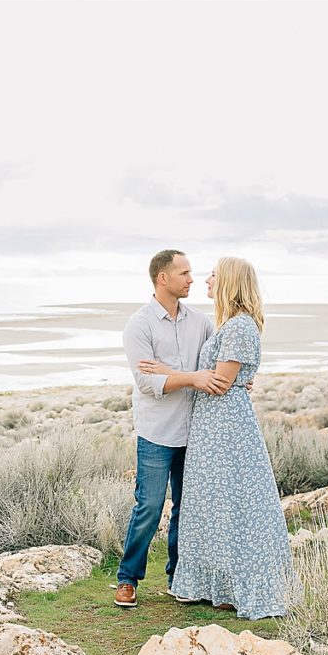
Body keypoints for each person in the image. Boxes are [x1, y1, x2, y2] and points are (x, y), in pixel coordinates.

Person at [139, 257, 299, 619]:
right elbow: (224, 376)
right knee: (217, 507)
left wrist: (167, 371)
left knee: (232, 505)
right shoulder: (227, 324)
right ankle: (220, 586)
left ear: (228, 282)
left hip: (226, 429)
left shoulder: (240, 326)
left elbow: (221, 382)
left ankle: (237, 587)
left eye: (212, 275)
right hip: (213, 427)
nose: (204, 280)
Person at [113, 250, 231, 608]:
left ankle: (179, 578)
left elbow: (214, 364)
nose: (191, 279)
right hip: (157, 430)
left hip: (195, 430)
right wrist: (190, 377)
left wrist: (235, 378)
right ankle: (127, 578)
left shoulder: (201, 322)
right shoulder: (140, 325)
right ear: (162, 278)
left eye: (192, 272)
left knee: (187, 507)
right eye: (184, 273)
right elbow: (147, 384)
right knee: (148, 506)